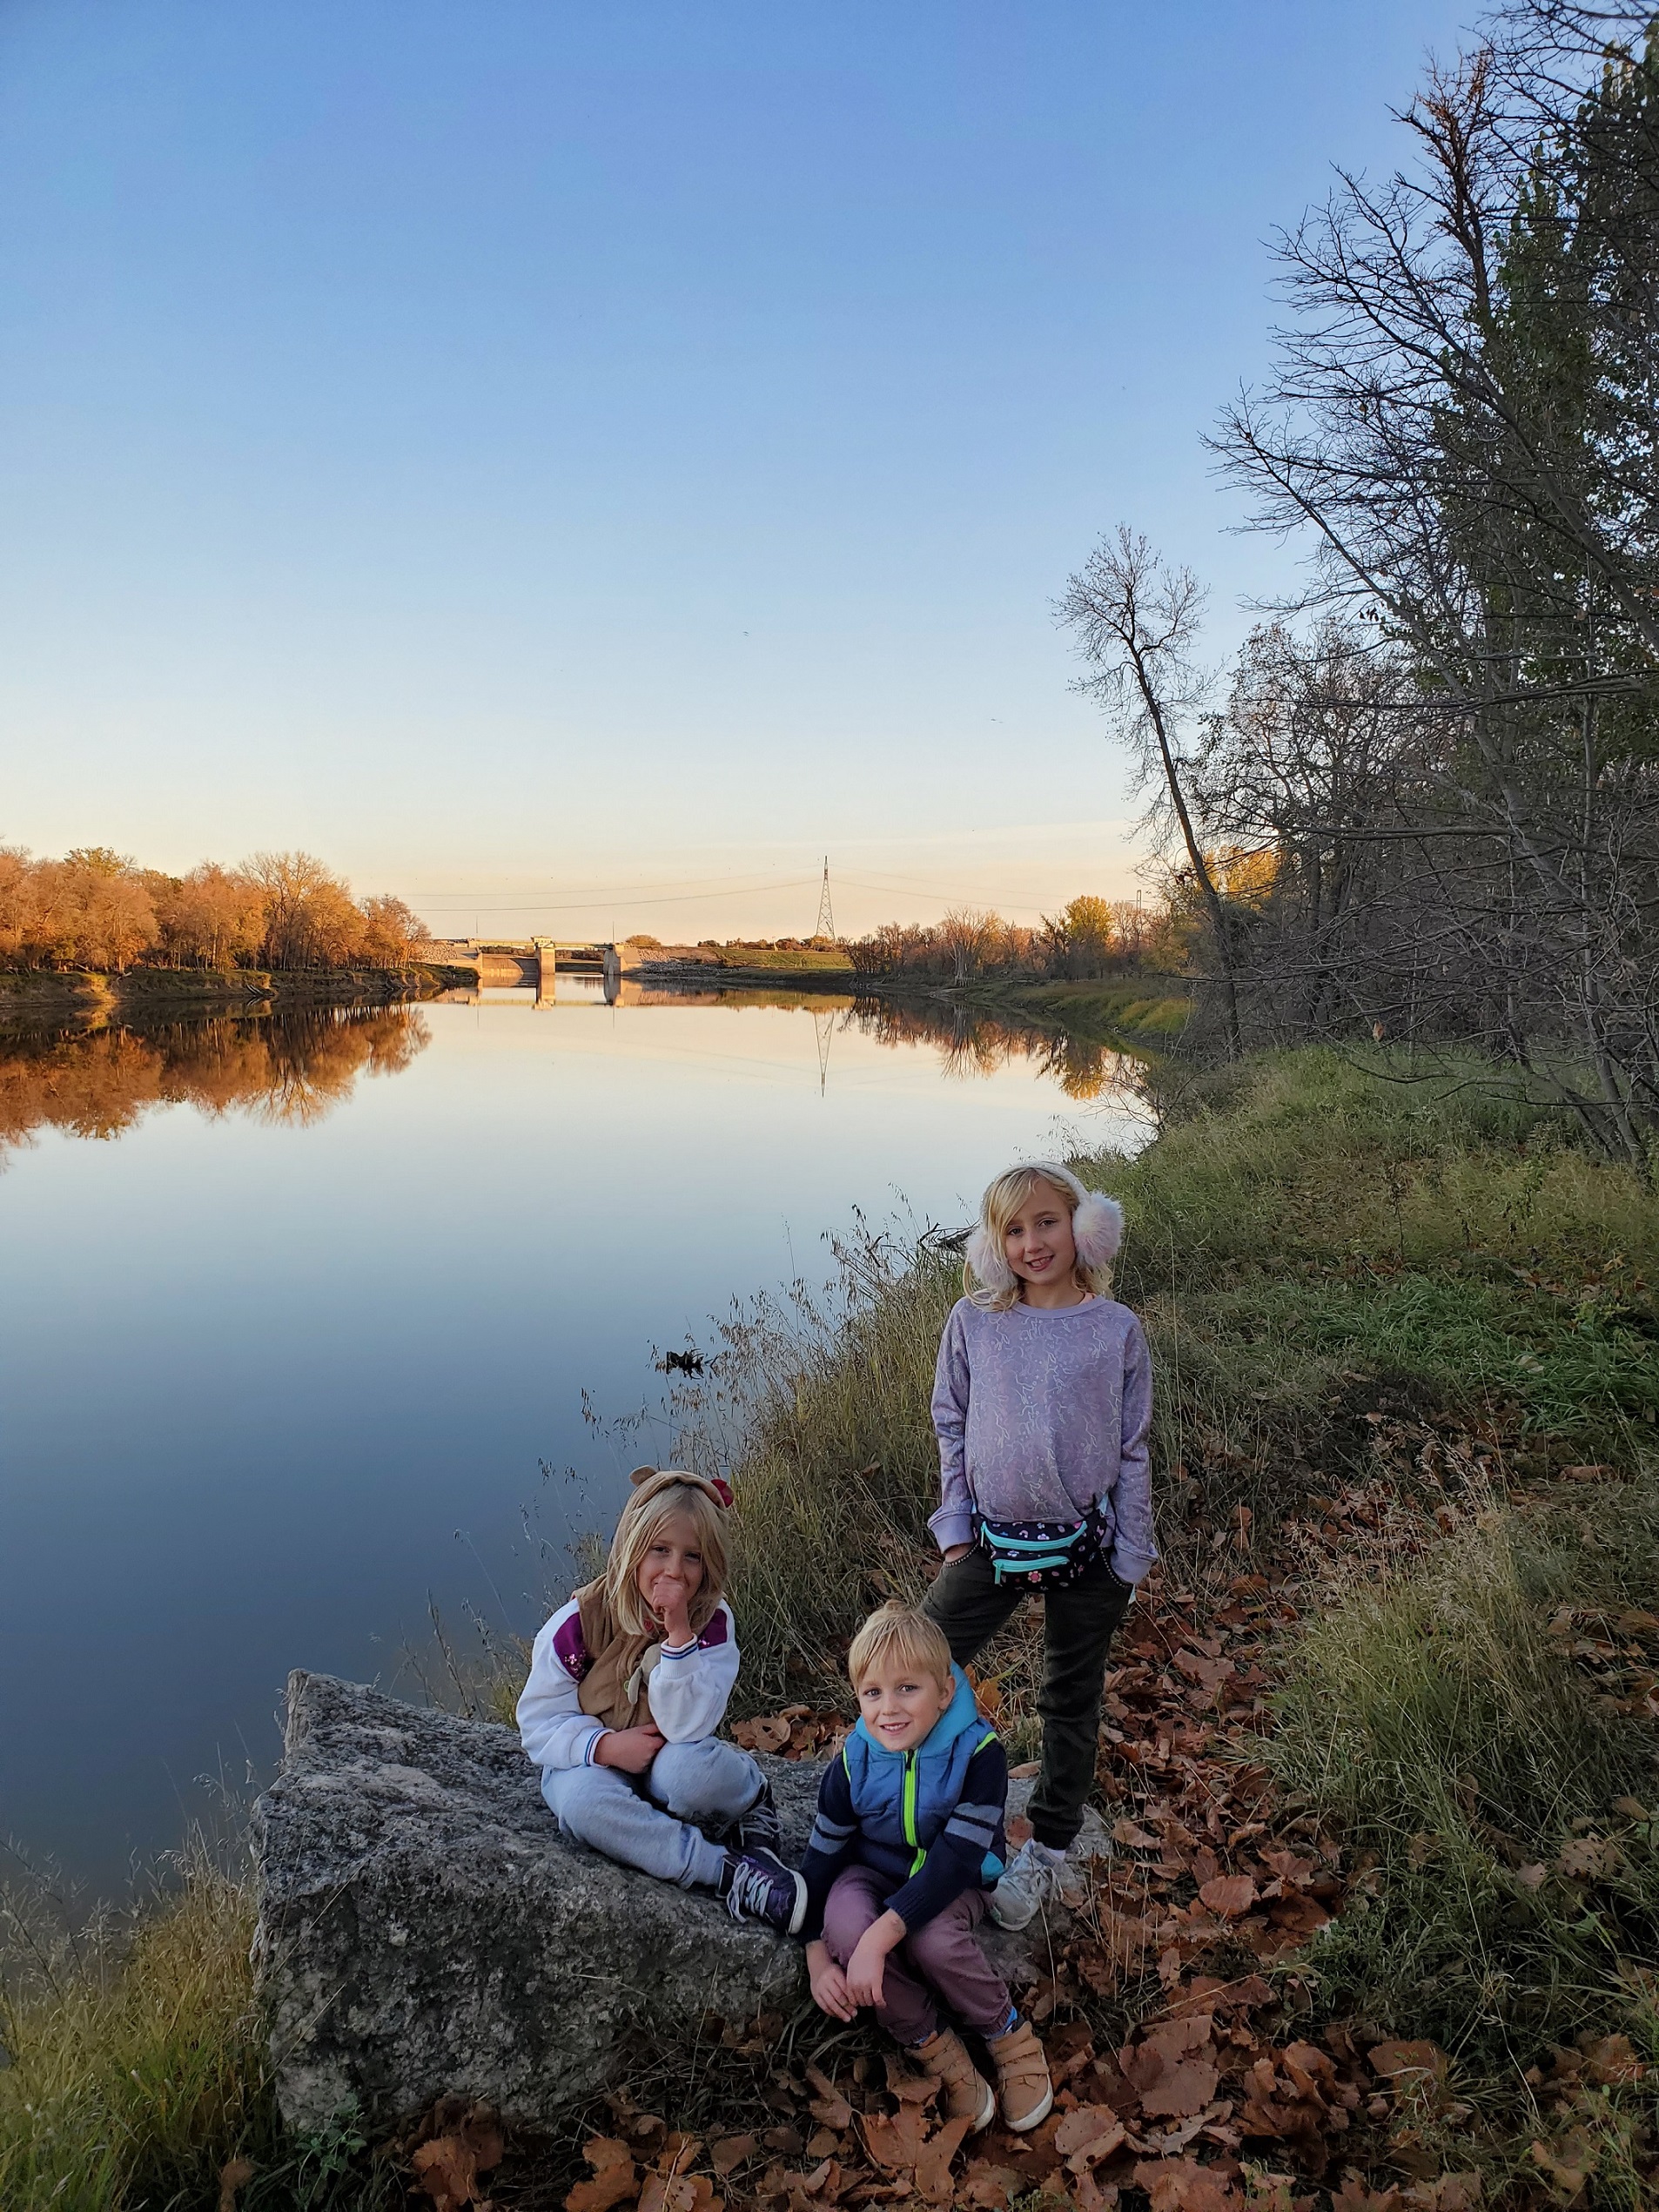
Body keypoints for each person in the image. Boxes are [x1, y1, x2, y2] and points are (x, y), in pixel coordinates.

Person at [924, 1160, 1154, 1931]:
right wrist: (955, 1528)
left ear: (1084, 1226)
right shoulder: (974, 1321)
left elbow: (1133, 1447)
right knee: (920, 1655)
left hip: (1090, 1547)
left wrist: (1132, 1553)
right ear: (995, 1245)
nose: (1033, 1242)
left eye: (1047, 1221)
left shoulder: (1115, 1329)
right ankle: (914, 1798)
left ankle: (1048, 1849)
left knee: (1069, 1698)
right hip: (989, 1543)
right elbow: (950, 1421)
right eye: (1014, 1229)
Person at [798, 1603, 1054, 2134]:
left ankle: (1006, 2033)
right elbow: (824, 1853)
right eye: (872, 1693)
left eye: (907, 1689)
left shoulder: (980, 1754)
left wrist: (881, 1937)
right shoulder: (853, 1760)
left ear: (945, 1691)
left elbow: (957, 1858)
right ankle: (934, 2046)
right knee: (845, 1926)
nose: (888, 1709)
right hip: (873, 1871)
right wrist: (817, 1953)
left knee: (932, 1940)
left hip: (957, 1879)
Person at [517, 1464, 806, 1933]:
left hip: (670, 1754)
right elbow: (537, 1720)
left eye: (692, 1557)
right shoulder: (579, 1623)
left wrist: (679, 1638)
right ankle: (724, 1871)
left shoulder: (713, 1624)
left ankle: (752, 1799)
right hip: (592, 1761)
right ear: (632, 1548)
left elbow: (690, 1727)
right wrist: (603, 1747)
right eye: (660, 1550)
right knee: (581, 1805)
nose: (674, 1570)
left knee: (689, 1774)